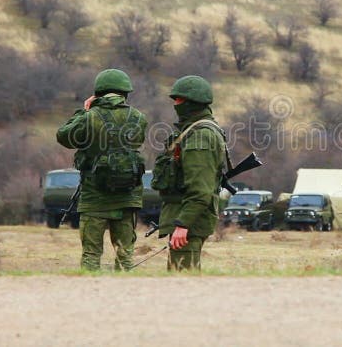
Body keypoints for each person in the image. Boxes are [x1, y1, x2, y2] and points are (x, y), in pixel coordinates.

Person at [56, 69, 148, 271]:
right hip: (128, 197)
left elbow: (63, 136)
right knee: (125, 257)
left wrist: (85, 111)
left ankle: (91, 297)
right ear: (125, 92)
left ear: (98, 92)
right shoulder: (138, 118)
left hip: (94, 197)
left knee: (91, 255)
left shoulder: (90, 117)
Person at [152, 75, 227, 271]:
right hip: (186, 218)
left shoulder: (200, 136)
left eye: (179, 100)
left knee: (182, 281)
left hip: (189, 222)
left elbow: (200, 188)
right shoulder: (195, 130)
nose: (175, 104)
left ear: (192, 103)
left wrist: (183, 225)